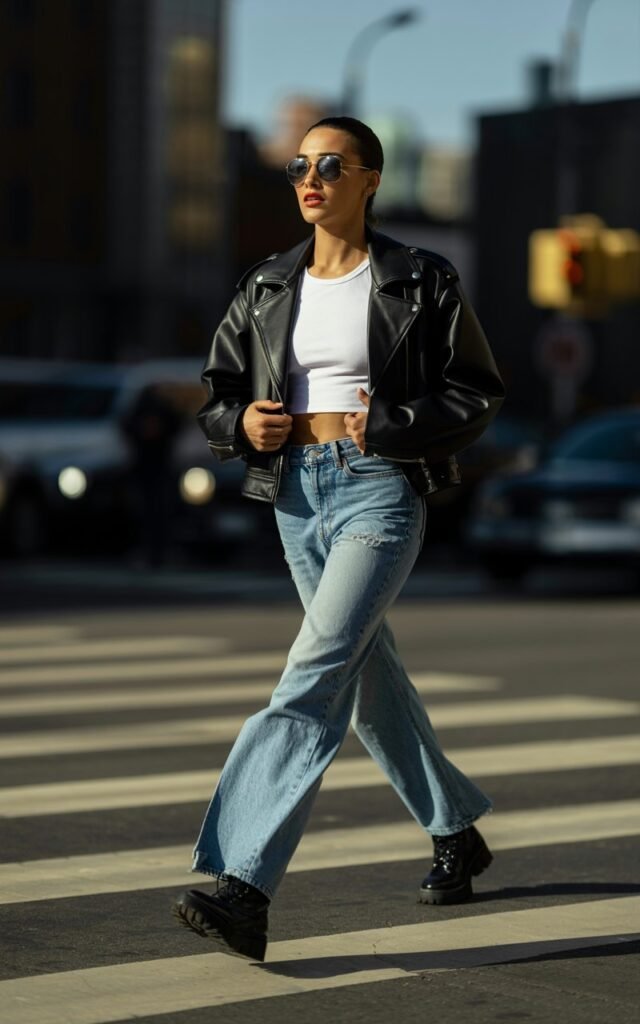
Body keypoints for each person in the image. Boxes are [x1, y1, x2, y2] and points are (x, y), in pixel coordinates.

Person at [173, 117, 505, 962]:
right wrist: (240, 421)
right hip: (296, 494)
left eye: (329, 165)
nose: (309, 178)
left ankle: (244, 885)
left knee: (314, 673)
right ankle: (455, 828)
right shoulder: (267, 284)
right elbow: (217, 391)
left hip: (379, 489)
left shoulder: (418, 279)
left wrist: (393, 423)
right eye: (298, 165)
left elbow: (476, 388)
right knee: (366, 679)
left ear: (370, 179)